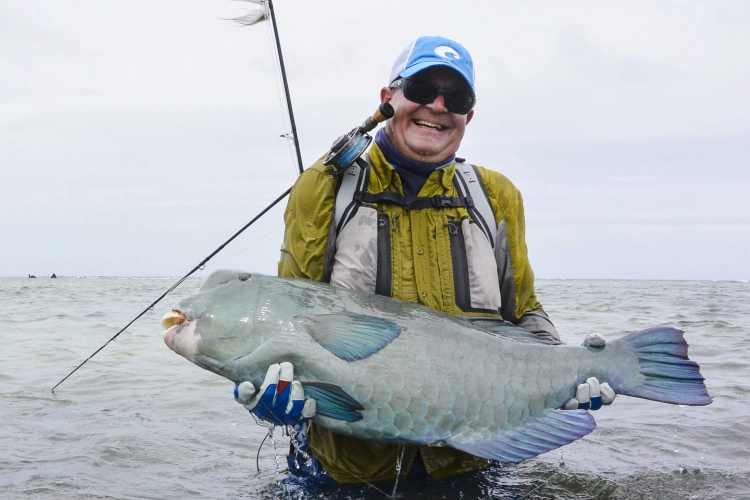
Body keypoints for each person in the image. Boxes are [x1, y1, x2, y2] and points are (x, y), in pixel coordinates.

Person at [234, 36, 615, 484]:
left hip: (470, 462)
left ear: (468, 116)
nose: (437, 105)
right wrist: (267, 388)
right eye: (419, 89)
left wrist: (564, 375)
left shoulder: (497, 195)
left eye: (456, 97)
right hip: (343, 471)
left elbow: (524, 312)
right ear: (387, 99)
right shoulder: (323, 186)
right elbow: (289, 316)